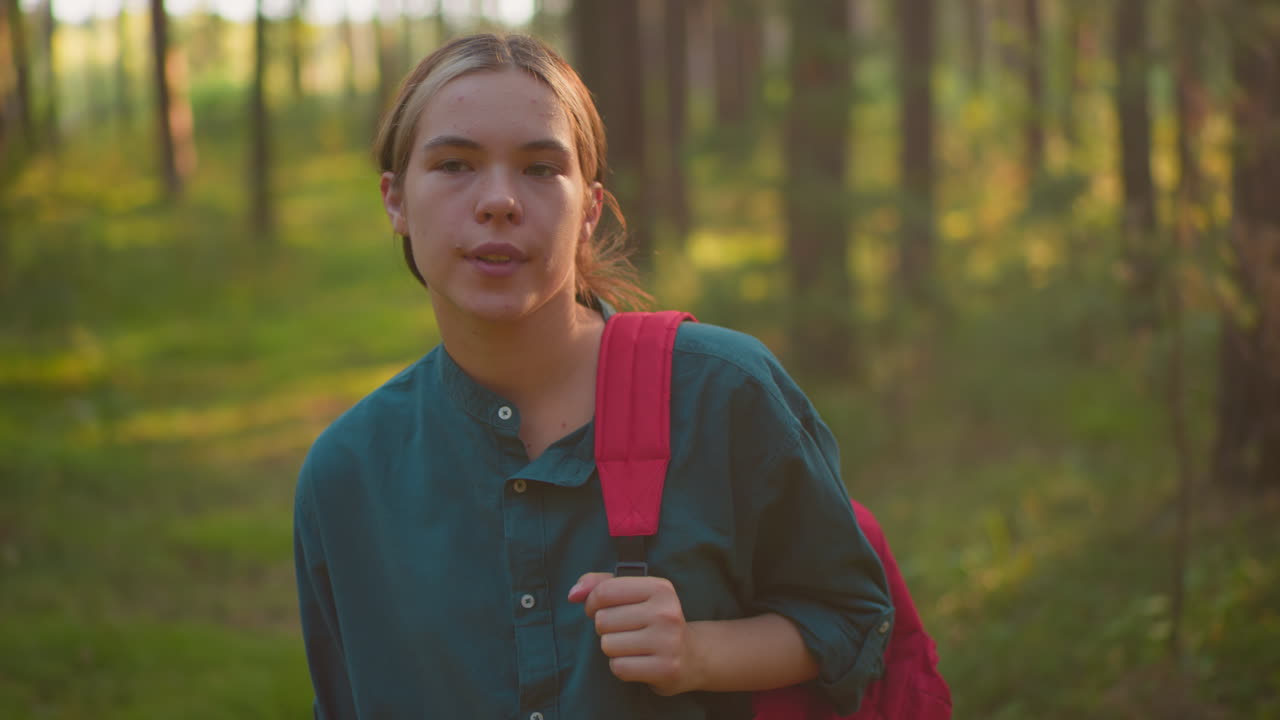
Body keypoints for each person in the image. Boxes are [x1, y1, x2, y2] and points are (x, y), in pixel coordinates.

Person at [293, 32, 894, 720]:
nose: (498, 202)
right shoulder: (345, 475)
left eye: (541, 168)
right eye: (455, 164)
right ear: (395, 200)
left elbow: (852, 617)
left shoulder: (725, 394)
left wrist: (699, 653)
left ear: (591, 210)